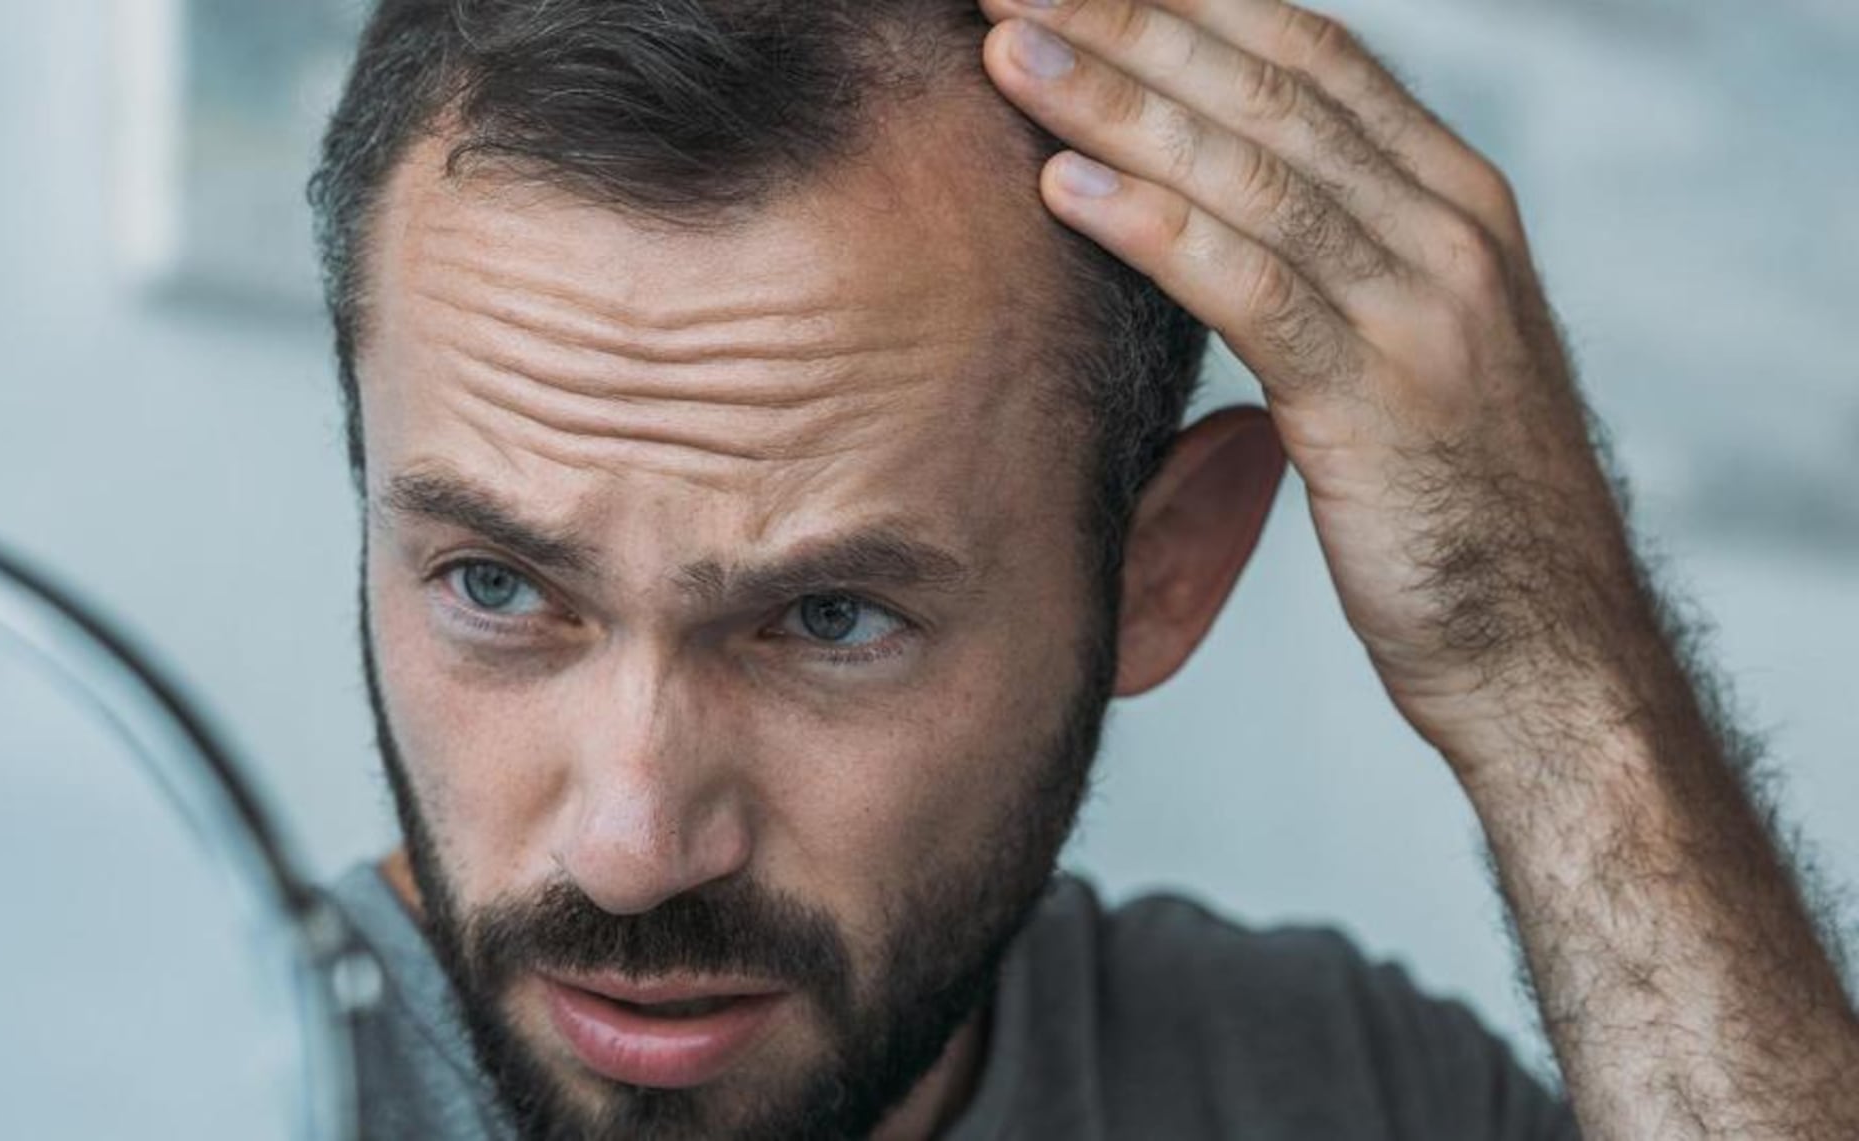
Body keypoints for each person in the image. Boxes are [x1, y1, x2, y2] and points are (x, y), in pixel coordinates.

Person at [300, 0, 1859, 1137]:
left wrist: (1552, 664)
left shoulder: (1333, 1092)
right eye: (496, 586)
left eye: (831, 618)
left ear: (1163, 569)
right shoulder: (135, 1071)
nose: (636, 844)